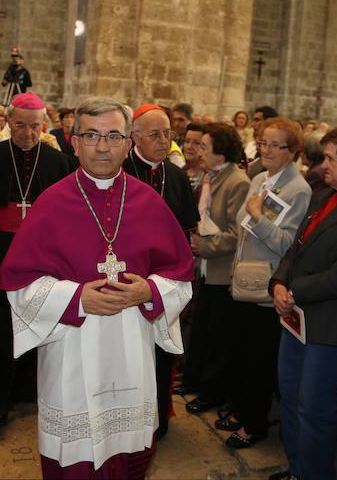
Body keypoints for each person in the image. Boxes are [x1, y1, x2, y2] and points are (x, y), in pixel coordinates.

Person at [0, 97, 194, 479]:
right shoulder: (51, 204)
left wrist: (148, 292)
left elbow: (181, 274)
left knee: (129, 457)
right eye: (92, 135)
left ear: (127, 143)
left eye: (113, 136)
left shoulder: (149, 202)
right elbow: (19, 287)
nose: (103, 146)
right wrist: (75, 298)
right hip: (72, 348)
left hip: (131, 348)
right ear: (74, 142)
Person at [270, 125, 337, 480]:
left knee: (313, 410)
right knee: (289, 399)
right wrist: (279, 282)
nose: (324, 164)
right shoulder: (323, 194)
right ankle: (297, 469)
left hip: (328, 324)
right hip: (296, 317)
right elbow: (295, 247)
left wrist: (295, 290)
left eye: (332, 158)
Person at [0, 92, 74, 427]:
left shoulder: (59, 163)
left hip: (40, 254)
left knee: (37, 320)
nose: (27, 133)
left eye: (34, 126)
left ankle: (26, 389)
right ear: (9, 122)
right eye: (20, 125)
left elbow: (65, 220)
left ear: (44, 125)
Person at [220, 118, 312, 449]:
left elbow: (288, 244)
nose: (267, 150)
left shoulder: (298, 189)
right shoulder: (260, 178)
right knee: (241, 355)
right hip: (244, 281)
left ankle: (254, 424)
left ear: (293, 151)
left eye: (276, 145)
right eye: (263, 143)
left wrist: (259, 217)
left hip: (266, 288)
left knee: (259, 362)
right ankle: (243, 410)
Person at [123, 103, 200, 439]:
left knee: (162, 350)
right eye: (155, 134)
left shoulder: (178, 176)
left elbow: (186, 232)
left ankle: (158, 417)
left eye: (168, 133)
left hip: (165, 282)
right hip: (127, 279)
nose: (164, 140)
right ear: (135, 136)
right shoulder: (120, 172)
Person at [183, 123, 250, 414]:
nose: (198, 152)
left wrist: (203, 247)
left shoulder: (237, 181)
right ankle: (194, 381)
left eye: (205, 147)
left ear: (221, 153)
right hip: (206, 268)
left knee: (218, 338)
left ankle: (211, 393)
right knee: (202, 330)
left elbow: (237, 234)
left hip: (223, 269)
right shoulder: (212, 177)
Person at [181, 122, 205, 195]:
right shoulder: (180, 172)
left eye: (196, 143)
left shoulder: (209, 176)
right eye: (187, 141)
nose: (189, 146)